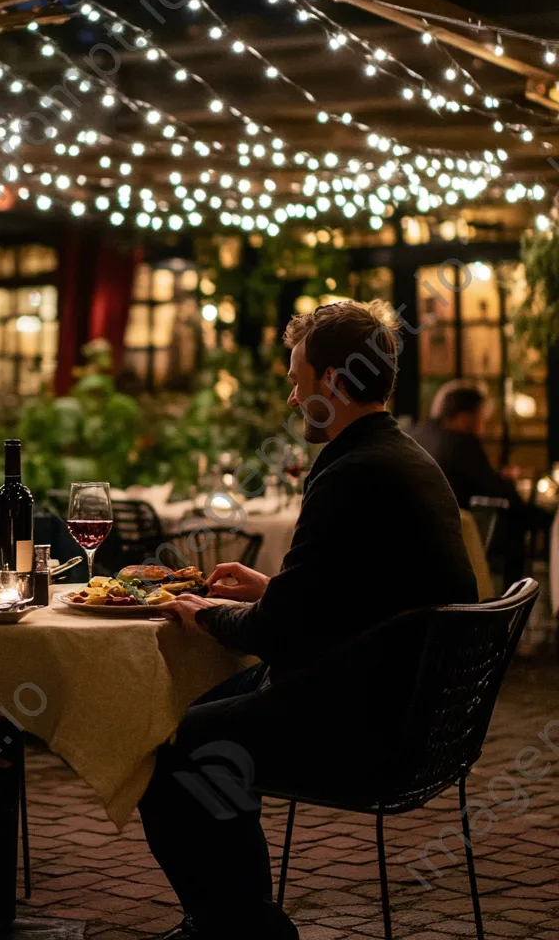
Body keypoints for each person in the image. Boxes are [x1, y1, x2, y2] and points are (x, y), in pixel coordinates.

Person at [139, 301, 478, 940]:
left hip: (367, 724)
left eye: (298, 379)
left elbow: (278, 632)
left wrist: (210, 613)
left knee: (173, 744)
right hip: (412, 706)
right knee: (203, 717)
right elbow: (361, 595)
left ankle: (236, 925)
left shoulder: (351, 471)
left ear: (331, 382)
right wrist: (272, 588)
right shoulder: (400, 457)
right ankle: (240, 918)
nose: (293, 397)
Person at [409, 380, 551, 581]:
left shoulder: (419, 434)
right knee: (520, 519)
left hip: (418, 529)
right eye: (481, 416)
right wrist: (510, 484)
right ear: (467, 417)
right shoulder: (462, 443)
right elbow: (499, 490)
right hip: (454, 531)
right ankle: (512, 597)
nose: (483, 424)